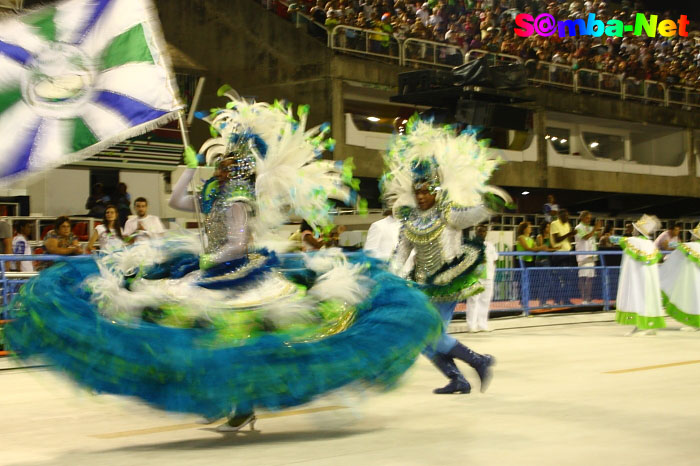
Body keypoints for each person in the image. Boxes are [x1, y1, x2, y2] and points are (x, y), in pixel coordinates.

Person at [6, 91, 443, 437]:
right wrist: (189, 167)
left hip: (239, 276)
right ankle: (236, 405)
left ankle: (241, 405)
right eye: (223, 157)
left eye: (232, 159)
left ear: (243, 167)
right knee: (209, 341)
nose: (225, 162)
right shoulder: (214, 191)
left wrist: (206, 257)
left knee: (237, 344)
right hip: (211, 271)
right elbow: (177, 202)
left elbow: (237, 243)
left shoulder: (236, 197)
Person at [385, 118, 501, 395]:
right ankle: (458, 378)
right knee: (423, 337)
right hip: (422, 283)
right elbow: (401, 252)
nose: (422, 196)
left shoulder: (449, 214)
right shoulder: (411, 219)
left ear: (437, 191)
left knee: (429, 335)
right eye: (418, 192)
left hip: (448, 280)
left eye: (426, 191)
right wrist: (389, 276)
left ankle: (478, 361)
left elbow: (472, 214)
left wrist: (487, 204)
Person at [612, 214, 665, 335]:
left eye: (635, 228)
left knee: (637, 299)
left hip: (637, 278)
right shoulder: (651, 245)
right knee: (647, 300)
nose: (634, 230)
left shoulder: (633, 241)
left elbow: (616, 240)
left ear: (639, 231)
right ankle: (650, 326)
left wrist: (612, 238)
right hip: (648, 280)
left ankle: (640, 326)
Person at [660, 223, 700, 329]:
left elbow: (676, 247)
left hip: (692, 280)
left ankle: (695, 323)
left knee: (693, 299)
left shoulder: (692, 246)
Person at [466, 224, 497, 332]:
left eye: (483, 231)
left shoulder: (490, 246)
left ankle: (482, 324)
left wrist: (492, 275)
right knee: (473, 301)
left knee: (485, 301)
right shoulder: (470, 246)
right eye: (479, 231)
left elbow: (494, 261)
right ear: (475, 232)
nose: (481, 233)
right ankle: (471, 325)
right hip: (475, 278)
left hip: (488, 277)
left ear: (486, 233)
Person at [549, 209, 577, 304]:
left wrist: (572, 235)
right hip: (559, 253)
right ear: (560, 216)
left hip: (567, 252)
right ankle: (557, 300)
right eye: (565, 216)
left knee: (567, 279)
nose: (567, 218)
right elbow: (557, 239)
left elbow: (567, 239)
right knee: (558, 279)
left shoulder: (567, 225)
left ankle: (565, 299)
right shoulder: (554, 224)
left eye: (568, 216)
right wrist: (570, 234)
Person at [575, 211, 602, 305]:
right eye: (587, 218)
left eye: (590, 218)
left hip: (592, 256)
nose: (589, 220)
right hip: (583, 256)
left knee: (590, 278)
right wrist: (595, 229)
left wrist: (598, 228)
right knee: (583, 277)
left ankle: (588, 298)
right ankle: (584, 299)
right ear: (582, 218)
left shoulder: (590, 227)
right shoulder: (578, 228)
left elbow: (598, 235)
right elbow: (586, 237)